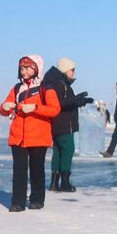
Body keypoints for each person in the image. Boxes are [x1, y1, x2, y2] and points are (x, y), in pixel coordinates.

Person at [0, 54, 60, 212]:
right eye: (21, 68)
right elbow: (4, 109)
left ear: (36, 69)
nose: (23, 71)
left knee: (36, 169)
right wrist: (4, 107)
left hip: (38, 136)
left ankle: (37, 199)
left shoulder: (45, 88)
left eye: (27, 68)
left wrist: (35, 108)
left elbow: (55, 109)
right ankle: (17, 202)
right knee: (19, 169)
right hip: (18, 136)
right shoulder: (17, 88)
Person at [43, 57, 93, 193]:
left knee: (58, 151)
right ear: (65, 69)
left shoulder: (57, 82)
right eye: (72, 70)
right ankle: (64, 182)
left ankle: (54, 182)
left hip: (57, 123)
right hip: (64, 124)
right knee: (68, 150)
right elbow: (59, 104)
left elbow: (65, 102)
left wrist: (80, 101)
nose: (74, 73)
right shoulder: (60, 84)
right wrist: (76, 99)